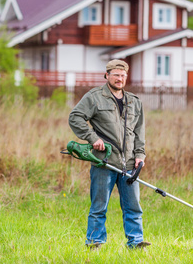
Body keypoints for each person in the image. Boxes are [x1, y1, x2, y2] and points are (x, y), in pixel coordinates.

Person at [68, 59, 151, 249]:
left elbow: (140, 132)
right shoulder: (94, 97)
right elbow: (75, 117)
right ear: (107, 76)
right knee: (99, 207)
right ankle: (95, 243)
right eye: (116, 75)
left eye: (122, 76)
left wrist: (140, 155)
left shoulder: (134, 102)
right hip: (104, 162)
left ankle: (136, 242)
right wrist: (92, 138)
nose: (119, 79)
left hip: (130, 164)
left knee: (133, 207)